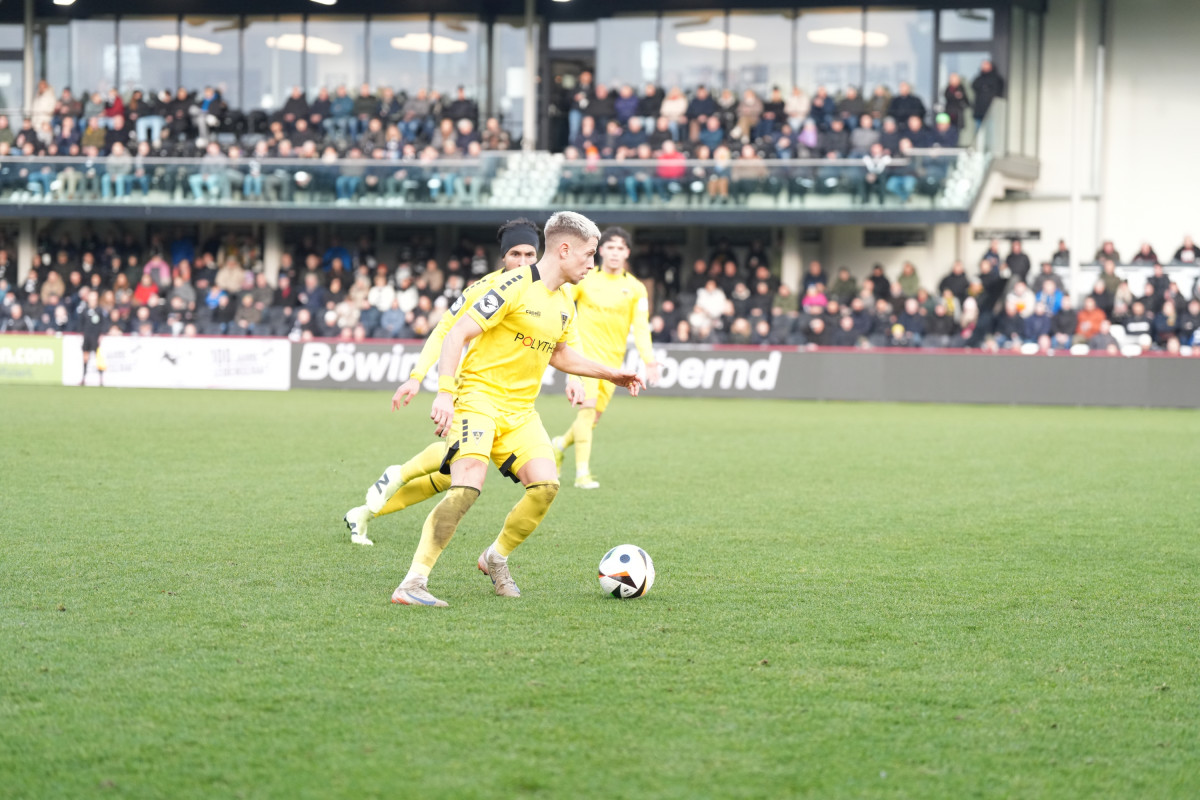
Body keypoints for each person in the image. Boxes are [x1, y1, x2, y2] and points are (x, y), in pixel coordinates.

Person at [389, 211, 644, 608]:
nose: (592, 264)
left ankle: (495, 558)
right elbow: (456, 333)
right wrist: (444, 393)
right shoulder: (512, 286)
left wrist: (612, 374)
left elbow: (560, 353)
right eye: (589, 254)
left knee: (546, 487)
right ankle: (413, 582)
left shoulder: (565, 301)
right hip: (479, 399)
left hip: (521, 411)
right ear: (564, 250)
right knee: (467, 486)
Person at [342, 219, 552, 546]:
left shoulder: (551, 291)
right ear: (503, 257)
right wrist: (417, 377)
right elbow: (445, 330)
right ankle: (398, 476)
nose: (523, 262)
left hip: (515, 405)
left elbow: (564, 341)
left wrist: (577, 377)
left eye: (529, 254)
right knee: (456, 469)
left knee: (448, 476)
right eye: (515, 254)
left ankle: (363, 513)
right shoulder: (485, 288)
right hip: (476, 394)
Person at [552, 227, 658, 489]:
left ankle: (559, 445)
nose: (614, 253)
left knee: (592, 419)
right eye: (610, 247)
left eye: (620, 248)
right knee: (587, 412)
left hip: (612, 366)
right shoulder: (585, 279)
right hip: (583, 360)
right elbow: (560, 302)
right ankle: (582, 474)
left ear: (627, 253)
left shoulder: (636, 288)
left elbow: (641, 327)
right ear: (601, 251)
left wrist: (649, 360)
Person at [78, 288, 107, 386]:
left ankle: (101, 379)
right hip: (87, 337)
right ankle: (83, 378)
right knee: (85, 357)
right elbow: (81, 323)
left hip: (96, 337)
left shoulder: (100, 310)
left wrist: (101, 334)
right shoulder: (85, 310)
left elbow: (104, 323)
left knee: (98, 358)